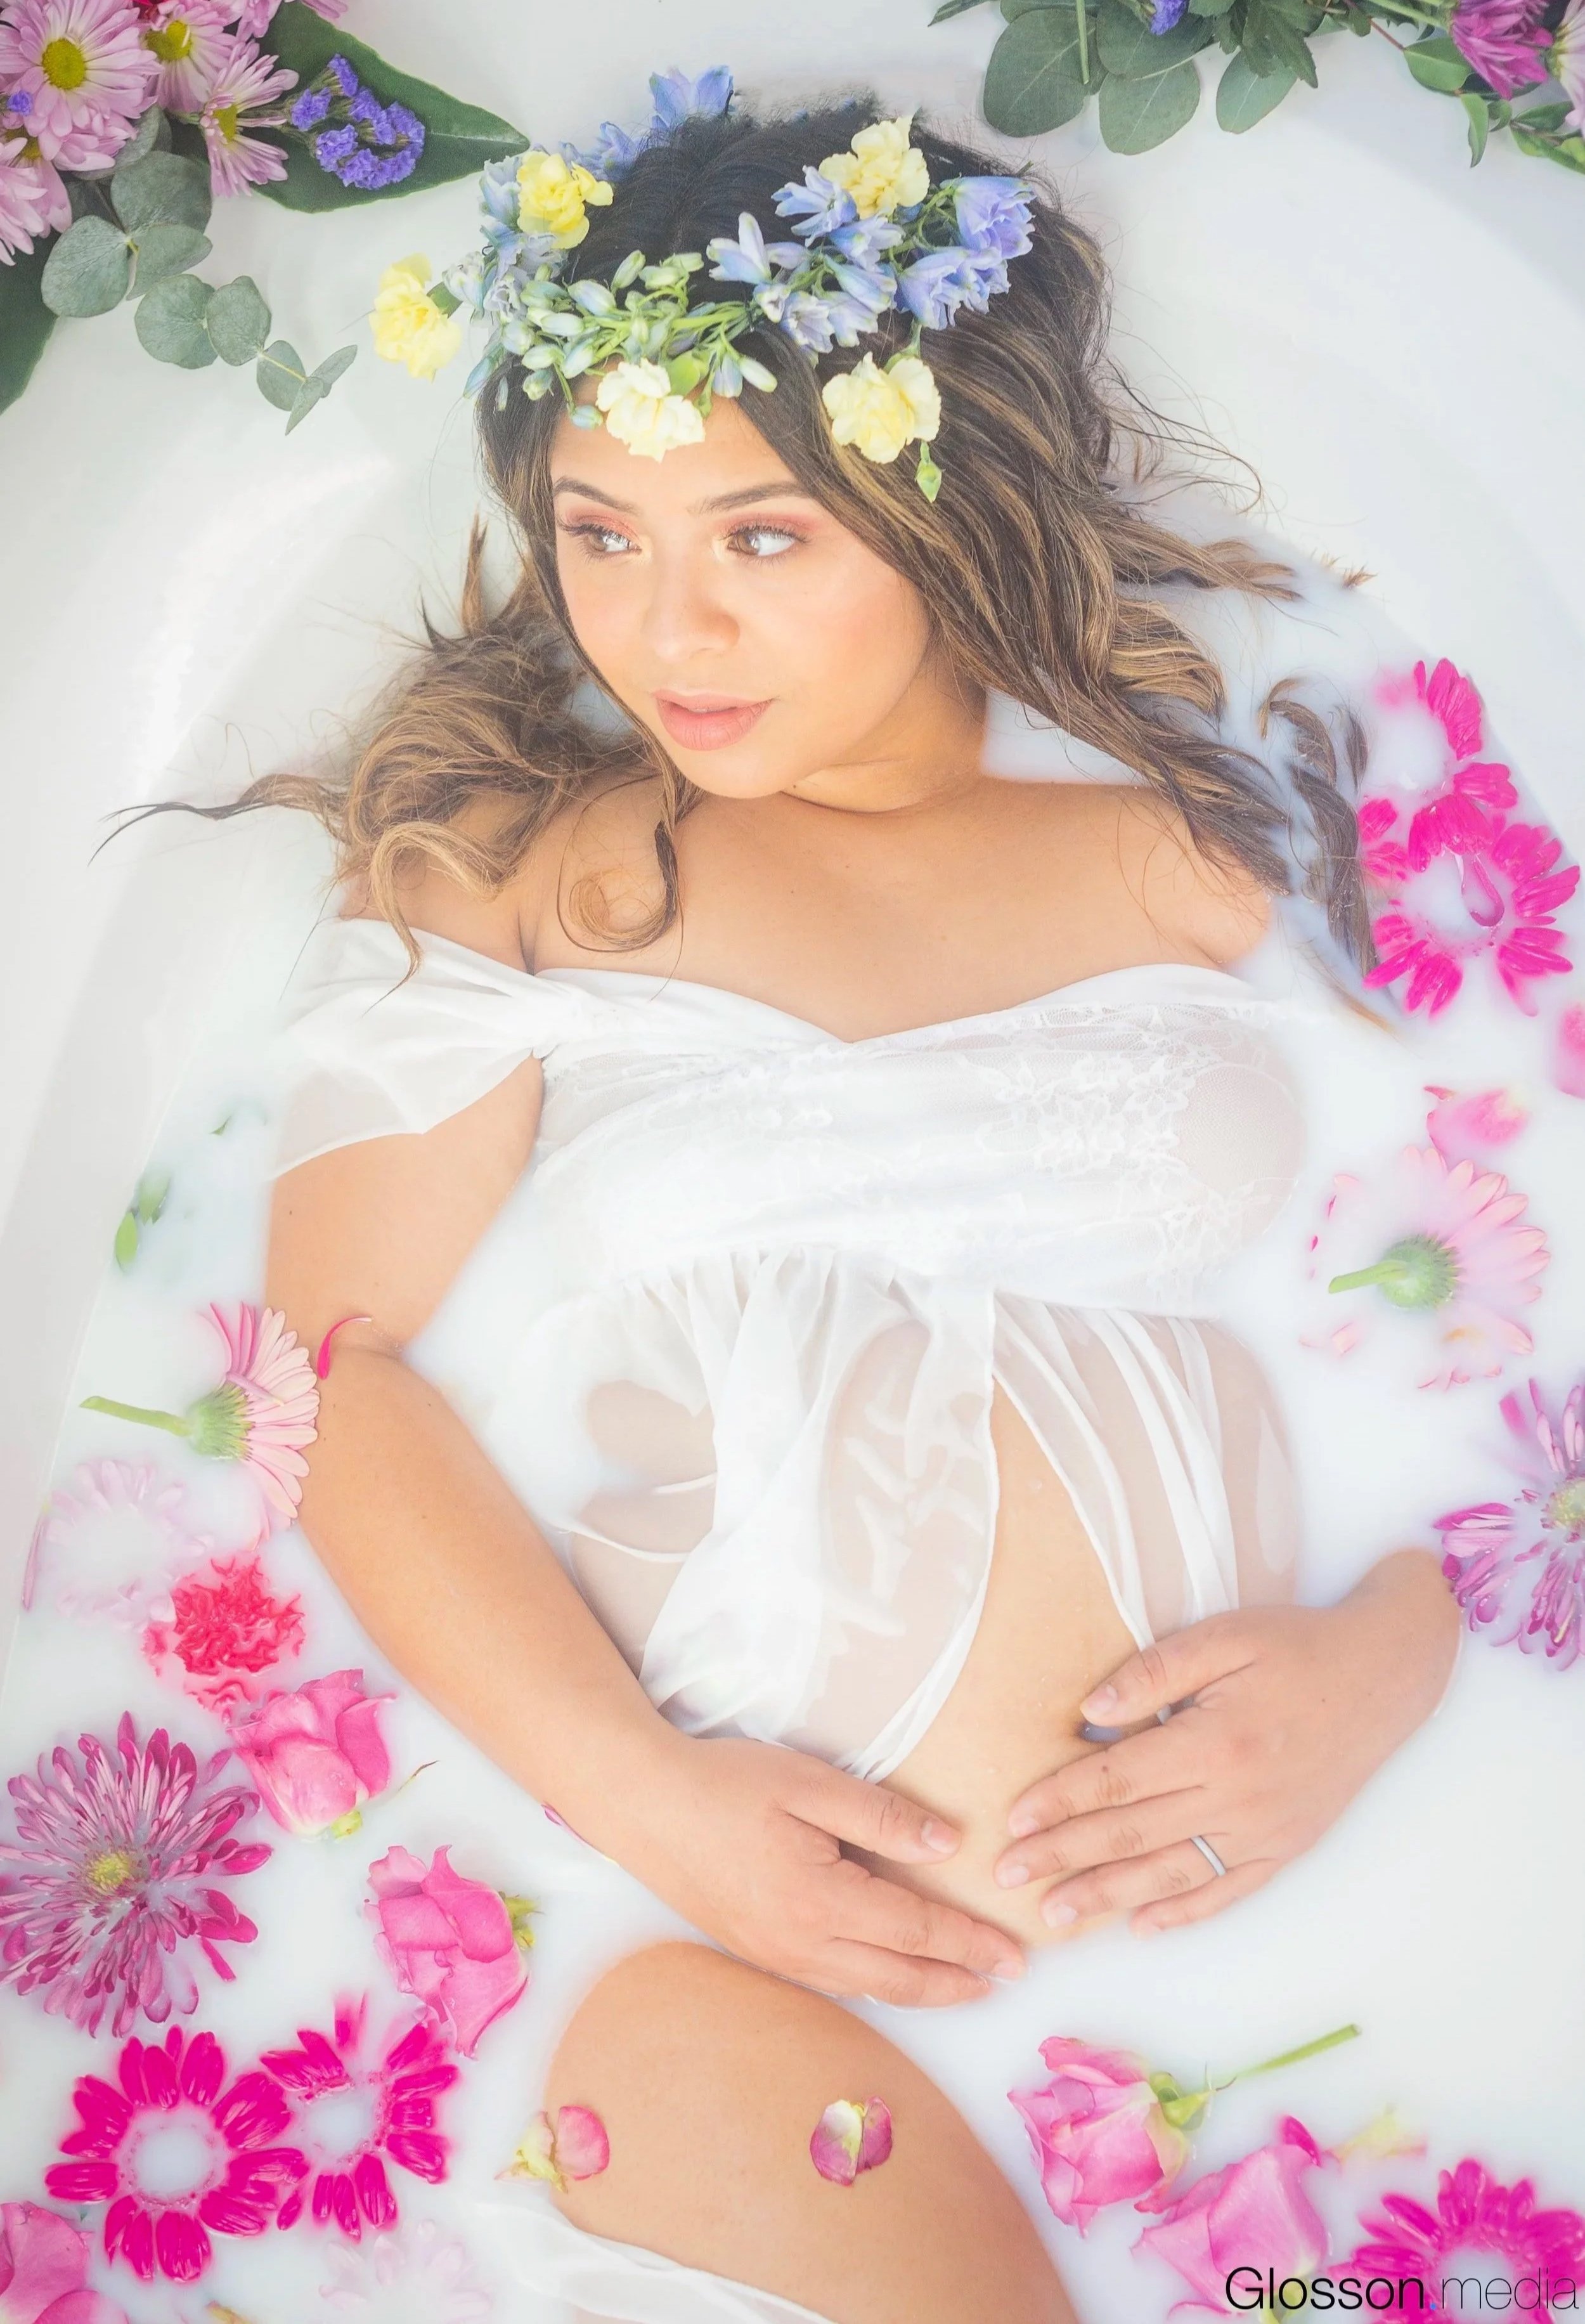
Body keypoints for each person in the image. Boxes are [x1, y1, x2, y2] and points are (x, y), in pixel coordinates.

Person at [253, 82, 1460, 2324]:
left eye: (761, 536)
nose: (660, 627)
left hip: (1282, 2012)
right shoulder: (540, 871)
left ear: (938, 493)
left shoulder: (1217, 842)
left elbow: (1510, 1317)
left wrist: (1387, 1661)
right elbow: (322, 1378)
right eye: (596, 530)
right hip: (698, 1958)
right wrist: (651, 1803)